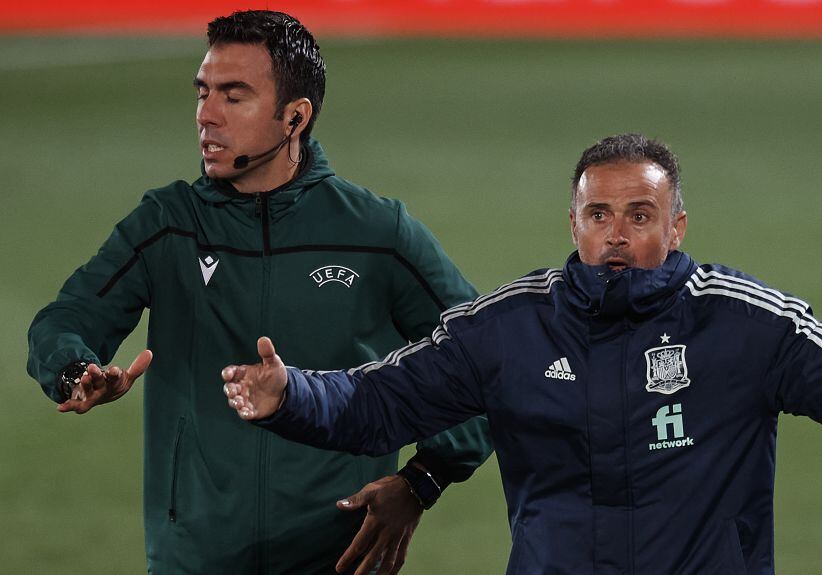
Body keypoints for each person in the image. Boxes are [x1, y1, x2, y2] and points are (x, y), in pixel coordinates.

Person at [221, 133, 822, 574]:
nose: (616, 232)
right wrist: (293, 394)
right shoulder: (510, 326)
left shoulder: (739, 321)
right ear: (571, 224)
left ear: (676, 227)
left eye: (640, 214)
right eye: (598, 213)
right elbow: (381, 397)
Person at [26, 10, 492, 575]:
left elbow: (486, 358)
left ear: (295, 116)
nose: (206, 115)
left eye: (234, 96)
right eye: (203, 93)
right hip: (193, 560)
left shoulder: (375, 234)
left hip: (335, 559)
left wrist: (422, 481)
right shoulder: (168, 224)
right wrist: (76, 368)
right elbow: (67, 317)